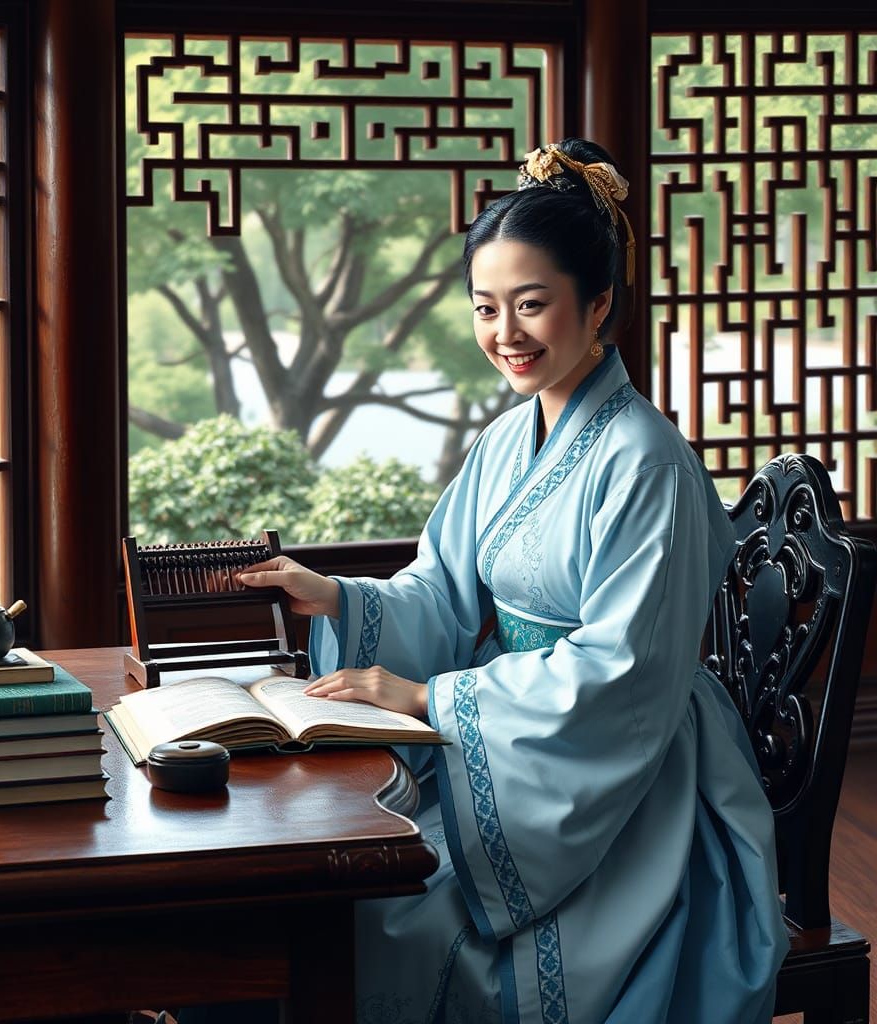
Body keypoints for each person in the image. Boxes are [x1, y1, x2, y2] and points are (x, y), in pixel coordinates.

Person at [238, 138, 789, 1024]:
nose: (506, 335)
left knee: (394, 922)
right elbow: (446, 593)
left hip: (626, 787)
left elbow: (622, 674)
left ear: (599, 302)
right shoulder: (505, 441)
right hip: (521, 754)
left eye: (532, 305)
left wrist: (431, 698)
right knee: (325, 891)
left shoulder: (646, 461)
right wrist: (338, 597)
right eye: (485, 308)